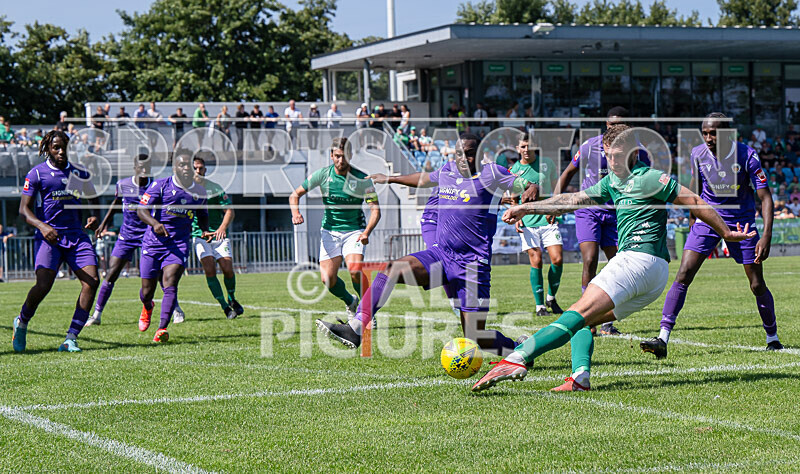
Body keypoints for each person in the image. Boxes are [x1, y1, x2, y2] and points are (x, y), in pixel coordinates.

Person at [471, 124, 756, 392]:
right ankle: (580, 376)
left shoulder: (651, 177)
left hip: (638, 262)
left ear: (633, 153)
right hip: (652, 276)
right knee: (582, 319)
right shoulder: (612, 182)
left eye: (618, 156)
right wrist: (526, 209)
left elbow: (694, 200)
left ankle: (517, 357)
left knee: (578, 313)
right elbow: (572, 200)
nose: (612, 161)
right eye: (607, 156)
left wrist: (726, 233)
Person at [315, 133, 538, 354]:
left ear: (479, 155)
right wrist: (391, 178)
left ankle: (519, 349)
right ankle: (355, 328)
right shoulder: (448, 170)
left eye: (469, 155)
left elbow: (523, 183)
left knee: (475, 337)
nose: (463, 159)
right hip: (442, 256)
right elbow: (423, 179)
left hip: (473, 266)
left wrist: (531, 187)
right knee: (394, 268)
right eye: (459, 153)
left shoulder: (492, 173)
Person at [641, 113, 783, 358]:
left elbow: (765, 197)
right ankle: (662, 338)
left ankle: (773, 338)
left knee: (756, 283)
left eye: (713, 133)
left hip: (742, 222)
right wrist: (693, 222)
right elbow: (695, 192)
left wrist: (766, 235)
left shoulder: (747, 155)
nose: (708, 138)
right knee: (683, 273)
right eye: (705, 133)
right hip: (707, 219)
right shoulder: (697, 153)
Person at [554, 106, 645, 336]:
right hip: (589, 210)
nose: (615, 129)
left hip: (615, 214)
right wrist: (555, 204)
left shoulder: (637, 150)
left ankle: (606, 321)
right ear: (606, 126)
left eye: (620, 125)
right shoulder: (589, 146)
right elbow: (567, 173)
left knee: (618, 264)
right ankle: (587, 317)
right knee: (590, 258)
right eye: (611, 125)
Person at [12, 130, 101, 353]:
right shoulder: (37, 174)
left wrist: (93, 214)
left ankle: (71, 338)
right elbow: (24, 210)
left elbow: (93, 196)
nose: (61, 152)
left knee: (91, 281)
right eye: (56, 148)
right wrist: (43, 226)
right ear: (48, 149)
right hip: (48, 238)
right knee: (43, 285)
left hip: (76, 237)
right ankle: (22, 321)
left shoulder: (79, 173)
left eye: (65, 147)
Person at [290, 137, 381, 321]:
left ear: (351, 155)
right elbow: (295, 195)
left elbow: (375, 210)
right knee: (328, 280)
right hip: (330, 231)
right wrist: (296, 213)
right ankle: (350, 301)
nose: (341, 160)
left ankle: (367, 312)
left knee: (355, 270)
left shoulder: (362, 179)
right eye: (337, 156)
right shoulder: (322, 175)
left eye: (345, 156)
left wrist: (366, 232)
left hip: (355, 230)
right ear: (331, 156)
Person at [136, 150, 209, 343]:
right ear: (175, 167)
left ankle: (161, 328)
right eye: (182, 165)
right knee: (147, 290)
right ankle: (147, 306)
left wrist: (205, 230)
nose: (187, 168)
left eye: (189, 165)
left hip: (178, 244)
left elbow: (203, 215)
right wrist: (155, 224)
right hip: (153, 244)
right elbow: (141, 210)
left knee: (170, 283)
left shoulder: (199, 192)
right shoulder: (160, 186)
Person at [86, 154, 152, 326]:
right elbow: (116, 204)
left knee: (156, 275)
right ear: (135, 168)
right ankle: (97, 315)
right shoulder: (123, 184)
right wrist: (103, 224)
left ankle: (174, 308)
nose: (144, 170)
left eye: (148, 167)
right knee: (111, 273)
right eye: (141, 166)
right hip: (127, 236)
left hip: (148, 235)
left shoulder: (155, 186)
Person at [509, 136, 564, 316]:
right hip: (527, 221)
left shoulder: (547, 163)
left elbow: (556, 188)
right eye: (523, 146)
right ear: (518, 148)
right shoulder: (514, 170)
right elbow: (512, 197)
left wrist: (554, 208)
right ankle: (540, 306)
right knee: (537, 259)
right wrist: (517, 216)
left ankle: (551, 297)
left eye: (530, 146)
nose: (526, 149)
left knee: (557, 259)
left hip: (548, 218)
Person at [190, 156, 243, 320]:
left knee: (227, 269)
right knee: (210, 269)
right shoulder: (185, 190)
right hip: (200, 237)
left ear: (205, 170)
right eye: (195, 168)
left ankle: (232, 298)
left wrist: (221, 228)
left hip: (218, 235)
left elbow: (229, 210)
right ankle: (225, 308)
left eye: (201, 168)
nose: (198, 171)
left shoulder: (215, 188)